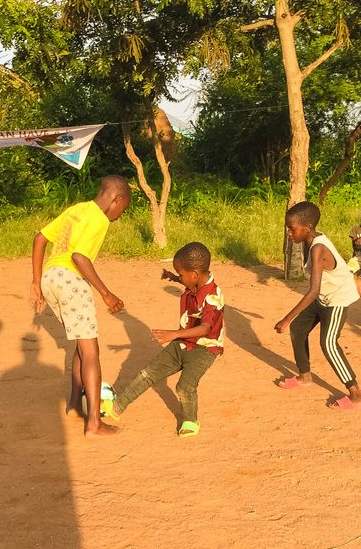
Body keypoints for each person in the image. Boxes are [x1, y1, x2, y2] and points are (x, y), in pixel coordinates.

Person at [29, 175, 131, 436]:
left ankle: (75, 405)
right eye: (123, 209)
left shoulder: (77, 209)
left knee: (81, 344)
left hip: (50, 278)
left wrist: (36, 282)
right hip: (71, 281)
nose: (119, 216)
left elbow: (40, 238)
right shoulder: (99, 218)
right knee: (91, 352)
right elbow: (79, 257)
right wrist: (106, 294)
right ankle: (94, 424)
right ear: (116, 199)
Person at [102, 242, 223, 437]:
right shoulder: (196, 281)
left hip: (204, 349)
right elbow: (190, 282)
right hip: (183, 343)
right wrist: (174, 277)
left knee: (184, 386)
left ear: (194, 275)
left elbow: (205, 328)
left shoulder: (212, 297)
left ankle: (190, 421)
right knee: (147, 373)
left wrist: (174, 334)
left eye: (180, 274)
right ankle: (117, 406)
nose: (180, 277)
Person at [274, 201, 361, 410]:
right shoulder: (309, 241)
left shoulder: (318, 248)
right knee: (299, 328)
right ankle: (305, 376)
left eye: (292, 229)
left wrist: (286, 319)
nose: (289, 233)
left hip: (336, 300)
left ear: (307, 228)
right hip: (324, 296)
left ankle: (357, 395)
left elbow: (313, 290)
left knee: (328, 343)